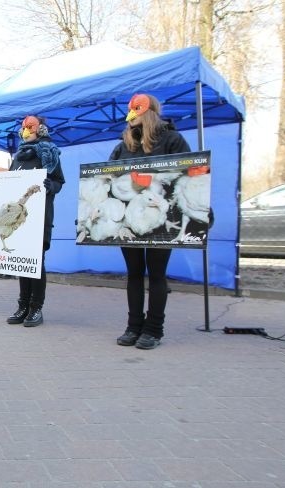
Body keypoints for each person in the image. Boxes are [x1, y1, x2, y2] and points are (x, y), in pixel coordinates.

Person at [109, 93, 191, 350]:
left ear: (150, 111)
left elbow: (187, 176)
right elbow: (108, 179)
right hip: (131, 221)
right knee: (134, 273)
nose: (132, 114)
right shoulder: (122, 146)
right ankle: (134, 326)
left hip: (160, 219)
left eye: (138, 108)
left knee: (156, 273)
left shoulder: (172, 139)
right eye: (130, 109)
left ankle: (154, 329)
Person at [4, 115, 65, 328]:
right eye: (23, 127)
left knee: (36, 263)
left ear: (40, 129)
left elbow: (59, 181)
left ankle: (36, 307)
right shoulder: (19, 155)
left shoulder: (49, 151)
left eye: (30, 127)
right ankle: (23, 306)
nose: (26, 130)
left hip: (39, 218)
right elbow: (10, 182)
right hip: (20, 219)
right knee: (23, 263)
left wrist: (51, 186)